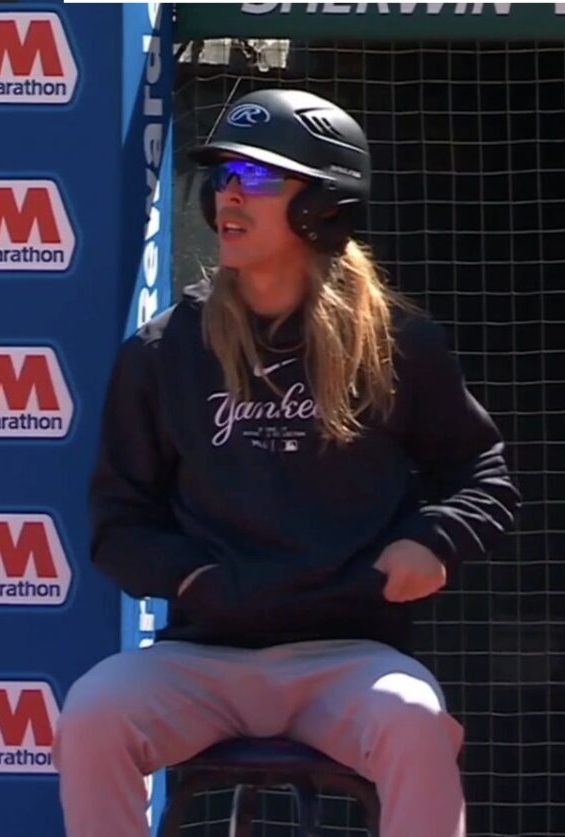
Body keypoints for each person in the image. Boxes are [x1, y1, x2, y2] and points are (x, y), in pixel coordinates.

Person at [53, 88, 520, 837]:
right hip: (205, 657)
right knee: (93, 714)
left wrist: (434, 541)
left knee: (416, 719)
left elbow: (483, 475)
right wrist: (196, 578)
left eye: (261, 179)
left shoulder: (401, 342)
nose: (231, 195)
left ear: (323, 206)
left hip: (352, 654)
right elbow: (119, 522)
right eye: (225, 178)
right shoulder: (164, 351)